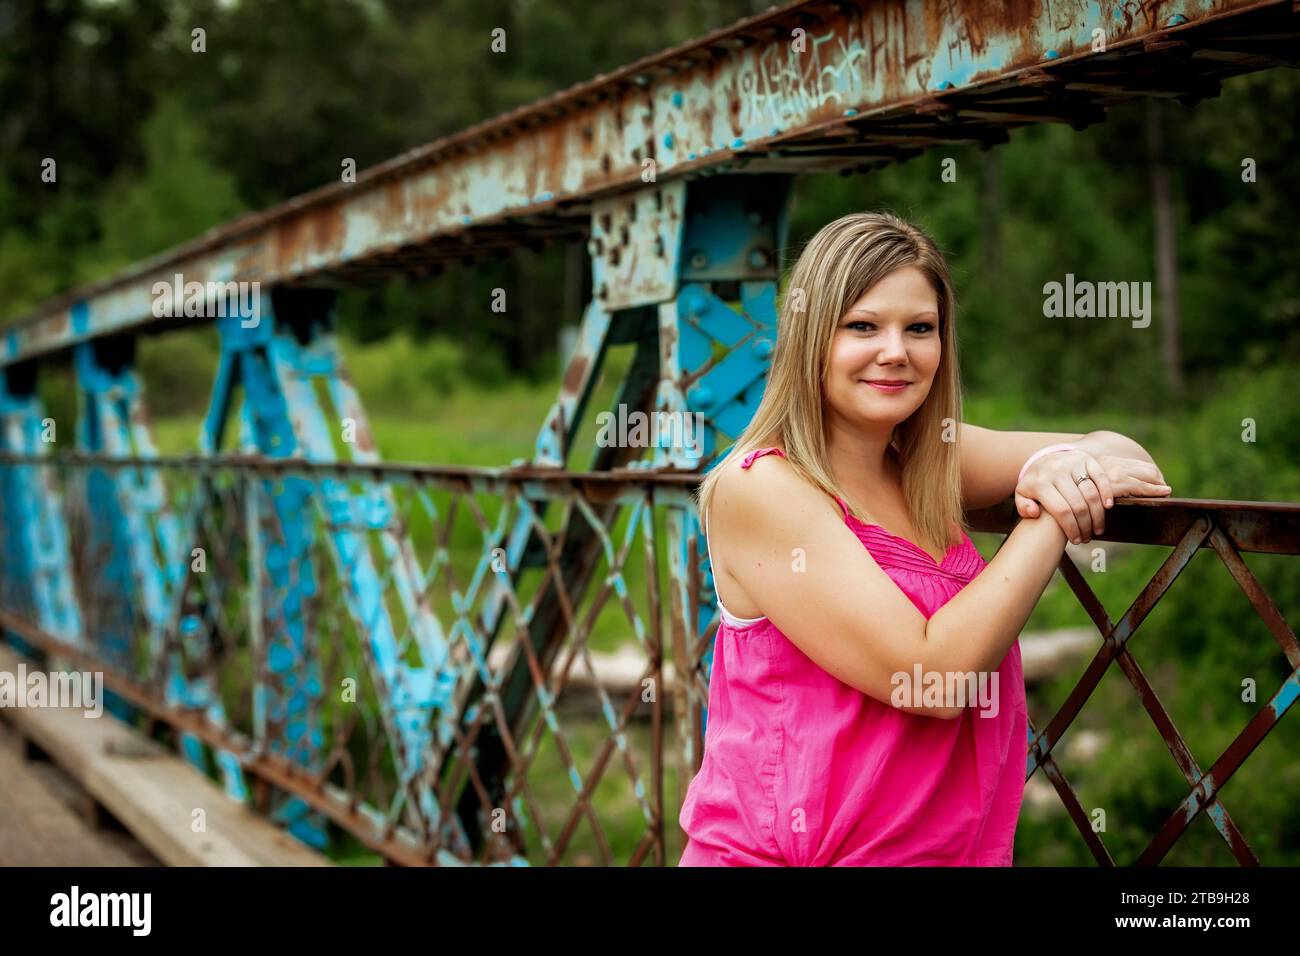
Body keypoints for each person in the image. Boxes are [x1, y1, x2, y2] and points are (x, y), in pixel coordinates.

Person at [677, 211, 1172, 866]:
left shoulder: (926, 459)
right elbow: (929, 678)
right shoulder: (762, 489)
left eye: (920, 328)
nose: (896, 351)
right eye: (862, 326)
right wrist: (1049, 518)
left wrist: (1055, 467)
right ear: (810, 336)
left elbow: (1128, 457)